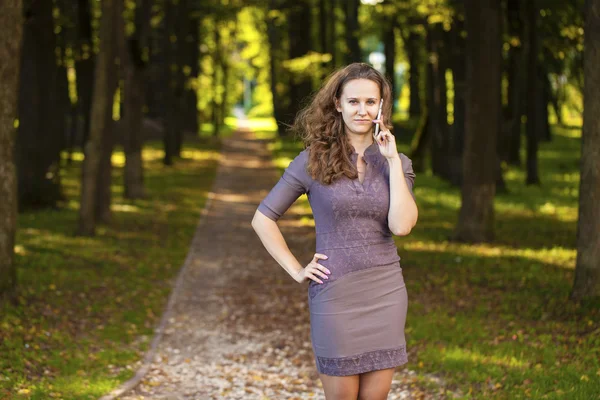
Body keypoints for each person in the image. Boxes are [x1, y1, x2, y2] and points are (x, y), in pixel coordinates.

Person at [251, 62, 418, 400]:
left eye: (371, 102)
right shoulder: (312, 160)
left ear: (381, 106)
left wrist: (392, 163)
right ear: (338, 104)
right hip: (335, 295)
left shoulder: (396, 162)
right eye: (353, 101)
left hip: (385, 292)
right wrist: (297, 269)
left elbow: (401, 226)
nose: (362, 110)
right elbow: (263, 218)